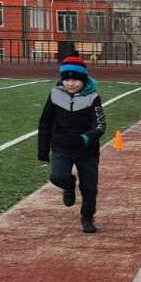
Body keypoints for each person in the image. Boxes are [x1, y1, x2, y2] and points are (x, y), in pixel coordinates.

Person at [37, 52, 106, 233]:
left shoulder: (93, 98)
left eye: (76, 79)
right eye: (67, 79)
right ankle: (69, 185)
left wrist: (85, 138)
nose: (71, 83)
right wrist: (43, 149)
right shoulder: (54, 95)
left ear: (84, 80)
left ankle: (87, 217)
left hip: (87, 151)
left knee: (89, 188)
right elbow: (45, 123)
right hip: (61, 147)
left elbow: (100, 126)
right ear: (62, 80)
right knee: (57, 176)